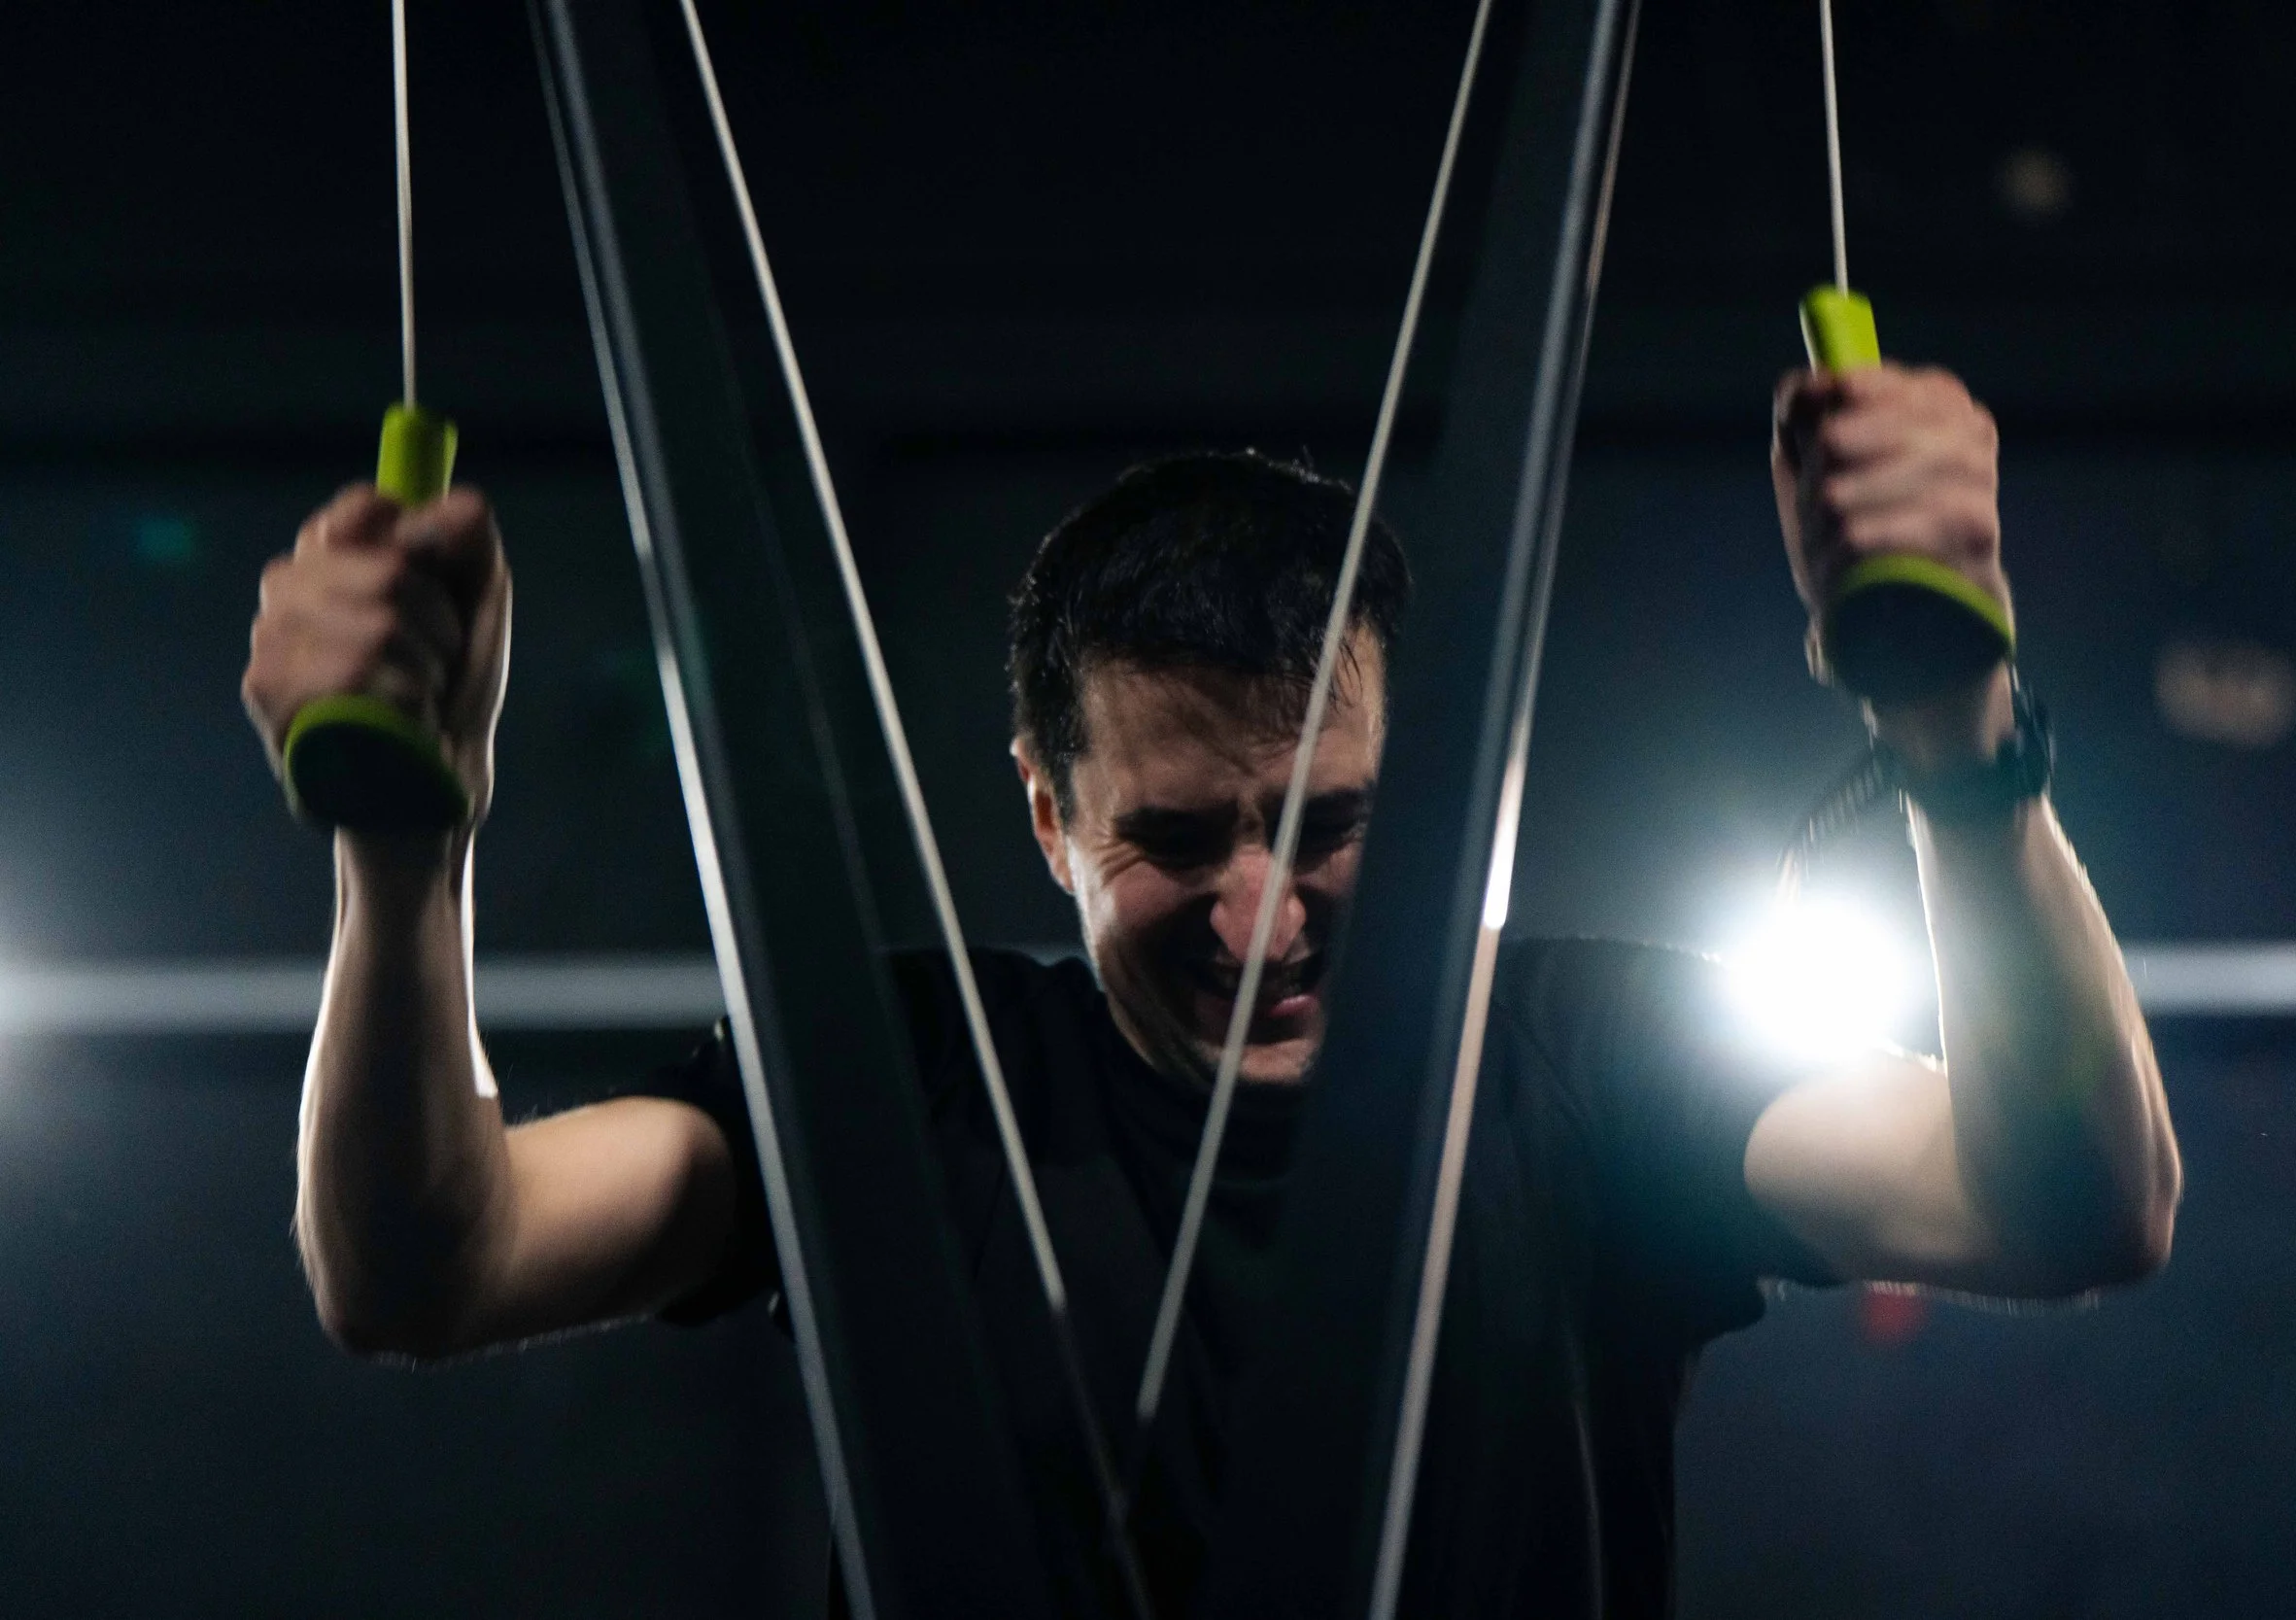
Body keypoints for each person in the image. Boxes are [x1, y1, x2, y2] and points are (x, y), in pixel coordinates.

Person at [239, 362, 2180, 1619]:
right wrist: (404, 855)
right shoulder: (914, 1082)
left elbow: (2071, 1199)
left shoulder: (1577, 1056)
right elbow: (416, 1266)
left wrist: (1950, 726)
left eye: (1326, 820)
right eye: (1172, 838)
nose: (1261, 913)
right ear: (1042, 811)